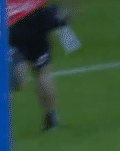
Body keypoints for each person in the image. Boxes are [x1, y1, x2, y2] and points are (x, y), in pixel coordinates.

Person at [6, 1, 75, 131]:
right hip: (36, 15)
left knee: (20, 79)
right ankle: (51, 118)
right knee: (42, 71)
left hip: (13, 19)